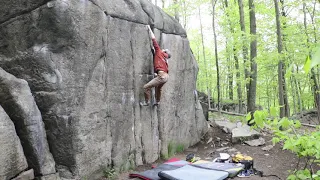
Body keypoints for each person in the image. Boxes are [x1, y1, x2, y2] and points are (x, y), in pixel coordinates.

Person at [140, 25, 171, 106]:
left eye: (164, 49)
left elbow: (153, 39)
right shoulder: (165, 59)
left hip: (162, 76)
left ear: (164, 52)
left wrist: (149, 28)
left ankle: (146, 102)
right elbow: (163, 68)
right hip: (166, 76)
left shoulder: (159, 52)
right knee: (158, 88)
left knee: (146, 87)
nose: (163, 49)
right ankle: (157, 102)